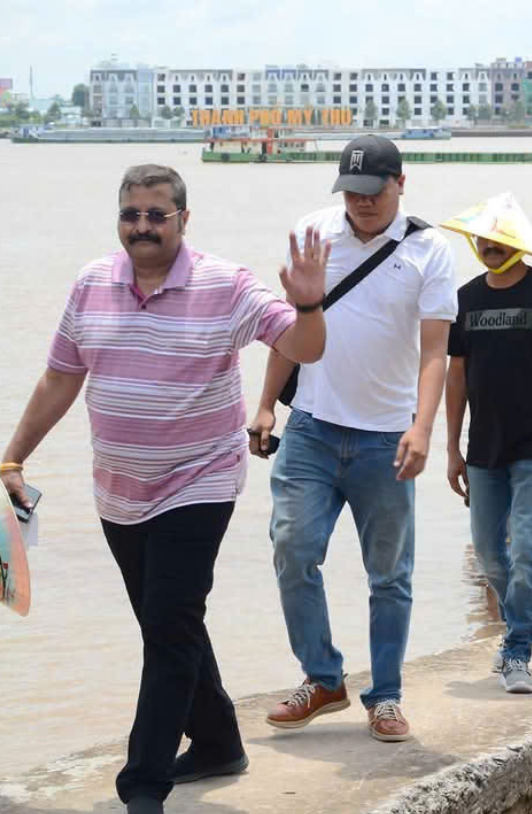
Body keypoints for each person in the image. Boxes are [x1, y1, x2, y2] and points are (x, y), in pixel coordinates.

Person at [0, 165, 327, 814]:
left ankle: (143, 786)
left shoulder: (225, 284)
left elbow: (303, 348)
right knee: (167, 622)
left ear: (183, 218)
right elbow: (61, 378)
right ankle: (216, 742)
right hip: (118, 490)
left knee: (169, 626)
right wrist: (12, 456)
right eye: (131, 214)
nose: (142, 226)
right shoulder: (92, 283)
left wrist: (310, 303)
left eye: (156, 214)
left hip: (199, 481)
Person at [248, 135, 457, 741]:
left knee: (389, 573)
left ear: (401, 183)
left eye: (374, 191)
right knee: (292, 548)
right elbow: (290, 327)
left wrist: (423, 428)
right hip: (312, 426)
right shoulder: (314, 233)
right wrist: (265, 406)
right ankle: (322, 677)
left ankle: (385, 695)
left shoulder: (429, 250)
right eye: (352, 192)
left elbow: (436, 348)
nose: (362, 203)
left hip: (387, 436)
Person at [440, 193, 532, 694]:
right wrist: (451, 447)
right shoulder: (465, 298)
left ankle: (517, 649)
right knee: (488, 552)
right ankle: (525, 618)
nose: (489, 246)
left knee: (525, 550)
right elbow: (455, 374)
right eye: (482, 239)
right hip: (482, 447)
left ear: (519, 244)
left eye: (500, 240)